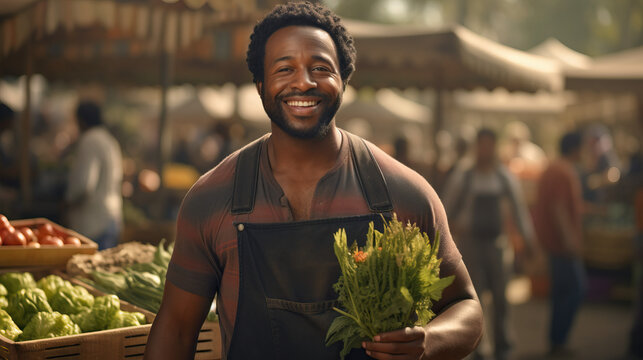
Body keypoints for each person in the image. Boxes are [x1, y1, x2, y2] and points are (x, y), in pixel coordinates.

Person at [145, 2, 483, 359]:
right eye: (284, 68)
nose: (303, 82)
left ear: (344, 80)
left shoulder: (403, 193)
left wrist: (429, 341)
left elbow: (466, 307)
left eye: (320, 68)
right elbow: (177, 329)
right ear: (260, 85)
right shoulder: (213, 199)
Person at [443, 128, 536, 360]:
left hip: (497, 244)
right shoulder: (464, 176)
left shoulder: (504, 176)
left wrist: (528, 239)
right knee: (474, 299)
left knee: (501, 298)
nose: (485, 150)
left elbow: (519, 211)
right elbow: (444, 209)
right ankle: (478, 348)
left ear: (494, 147)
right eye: (481, 144)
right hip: (470, 245)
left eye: (489, 145)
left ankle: (504, 347)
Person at [533, 131, 586, 357]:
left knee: (561, 293)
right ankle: (559, 340)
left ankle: (556, 341)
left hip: (554, 244)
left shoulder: (553, 169)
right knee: (576, 289)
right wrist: (571, 241)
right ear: (575, 149)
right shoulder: (563, 172)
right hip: (562, 246)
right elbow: (559, 208)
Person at [65, 100, 123, 250]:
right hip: (110, 216)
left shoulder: (89, 140)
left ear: (81, 120)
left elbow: (84, 184)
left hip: (93, 222)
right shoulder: (109, 140)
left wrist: (67, 203)